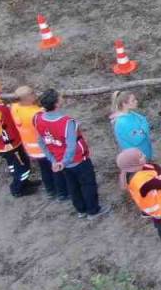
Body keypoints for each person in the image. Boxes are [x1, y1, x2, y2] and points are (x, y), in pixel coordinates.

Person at [35, 89, 109, 218]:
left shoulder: (37, 118)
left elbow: (41, 141)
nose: (62, 98)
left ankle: (81, 210)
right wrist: (64, 162)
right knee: (88, 184)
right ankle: (93, 210)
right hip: (78, 160)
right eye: (60, 97)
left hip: (59, 161)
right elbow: (71, 145)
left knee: (72, 186)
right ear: (56, 104)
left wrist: (54, 161)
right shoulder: (67, 122)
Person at [12, 86, 65, 201]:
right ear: (27, 98)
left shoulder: (15, 108)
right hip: (44, 148)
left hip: (31, 148)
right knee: (55, 169)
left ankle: (50, 190)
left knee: (44, 170)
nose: (35, 94)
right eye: (32, 93)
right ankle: (61, 192)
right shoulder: (36, 113)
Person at [110, 91, 153, 161]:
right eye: (133, 100)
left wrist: (143, 128)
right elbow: (137, 139)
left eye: (135, 99)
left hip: (144, 155)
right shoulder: (122, 122)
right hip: (137, 160)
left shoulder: (132, 114)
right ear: (124, 104)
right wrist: (145, 127)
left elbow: (142, 128)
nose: (136, 101)